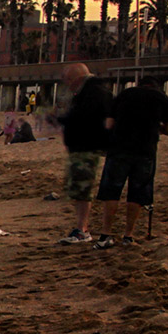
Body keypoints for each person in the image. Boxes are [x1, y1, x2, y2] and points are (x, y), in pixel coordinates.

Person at [95, 76, 168, 248]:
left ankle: (105, 234)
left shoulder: (124, 95)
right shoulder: (161, 98)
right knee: (137, 193)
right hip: (145, 150)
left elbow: (109, 124)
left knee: (112, 191)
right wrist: (158, 127)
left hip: (119, 149)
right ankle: (128, 235)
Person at [54, 63, 114, 245]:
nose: (68, 84)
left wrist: (61, 118)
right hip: (84, 145)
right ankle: (81, 228)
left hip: (86, 146)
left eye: (68, 80)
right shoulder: (94, 90)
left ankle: (82, 229)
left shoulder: (93, 93)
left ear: (77, 78)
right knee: (80, 187)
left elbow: (84, 118)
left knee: (82, 187)